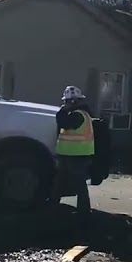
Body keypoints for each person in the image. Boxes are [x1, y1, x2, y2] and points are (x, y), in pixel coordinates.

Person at [54, 85, 95, 221]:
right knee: (61, 182)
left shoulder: (79, 115)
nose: (65, 104)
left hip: (78, 156)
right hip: (70, 155)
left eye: (67, 102)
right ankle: (53, 205)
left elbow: (64, 123)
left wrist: (61, 111)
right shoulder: (78, 114)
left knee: (79, 185)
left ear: (73, 102)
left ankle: (83, 212)